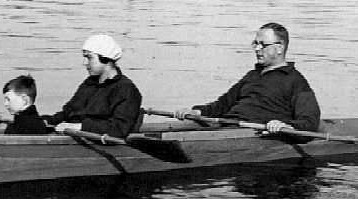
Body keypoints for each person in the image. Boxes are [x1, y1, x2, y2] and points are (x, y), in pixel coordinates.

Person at [174, 22, 320, 132]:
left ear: (280, 48)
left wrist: (285, 126)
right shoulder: (252, 75)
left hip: (256, 134)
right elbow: (223, 104)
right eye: (255, 44)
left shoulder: (296, 81)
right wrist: (196, 112)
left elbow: (309, 122)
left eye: (263, 45)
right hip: (227, 127)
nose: (257, 49)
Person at [44, 34, 143, 138]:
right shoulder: (89, 84)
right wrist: (47, 121)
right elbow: (68, 112)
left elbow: (119, 129)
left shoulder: (126, 89)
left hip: (101, 144)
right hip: (76, 137)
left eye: (89, 57)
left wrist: (78, 127)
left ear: (105, 58)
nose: (85, 63)